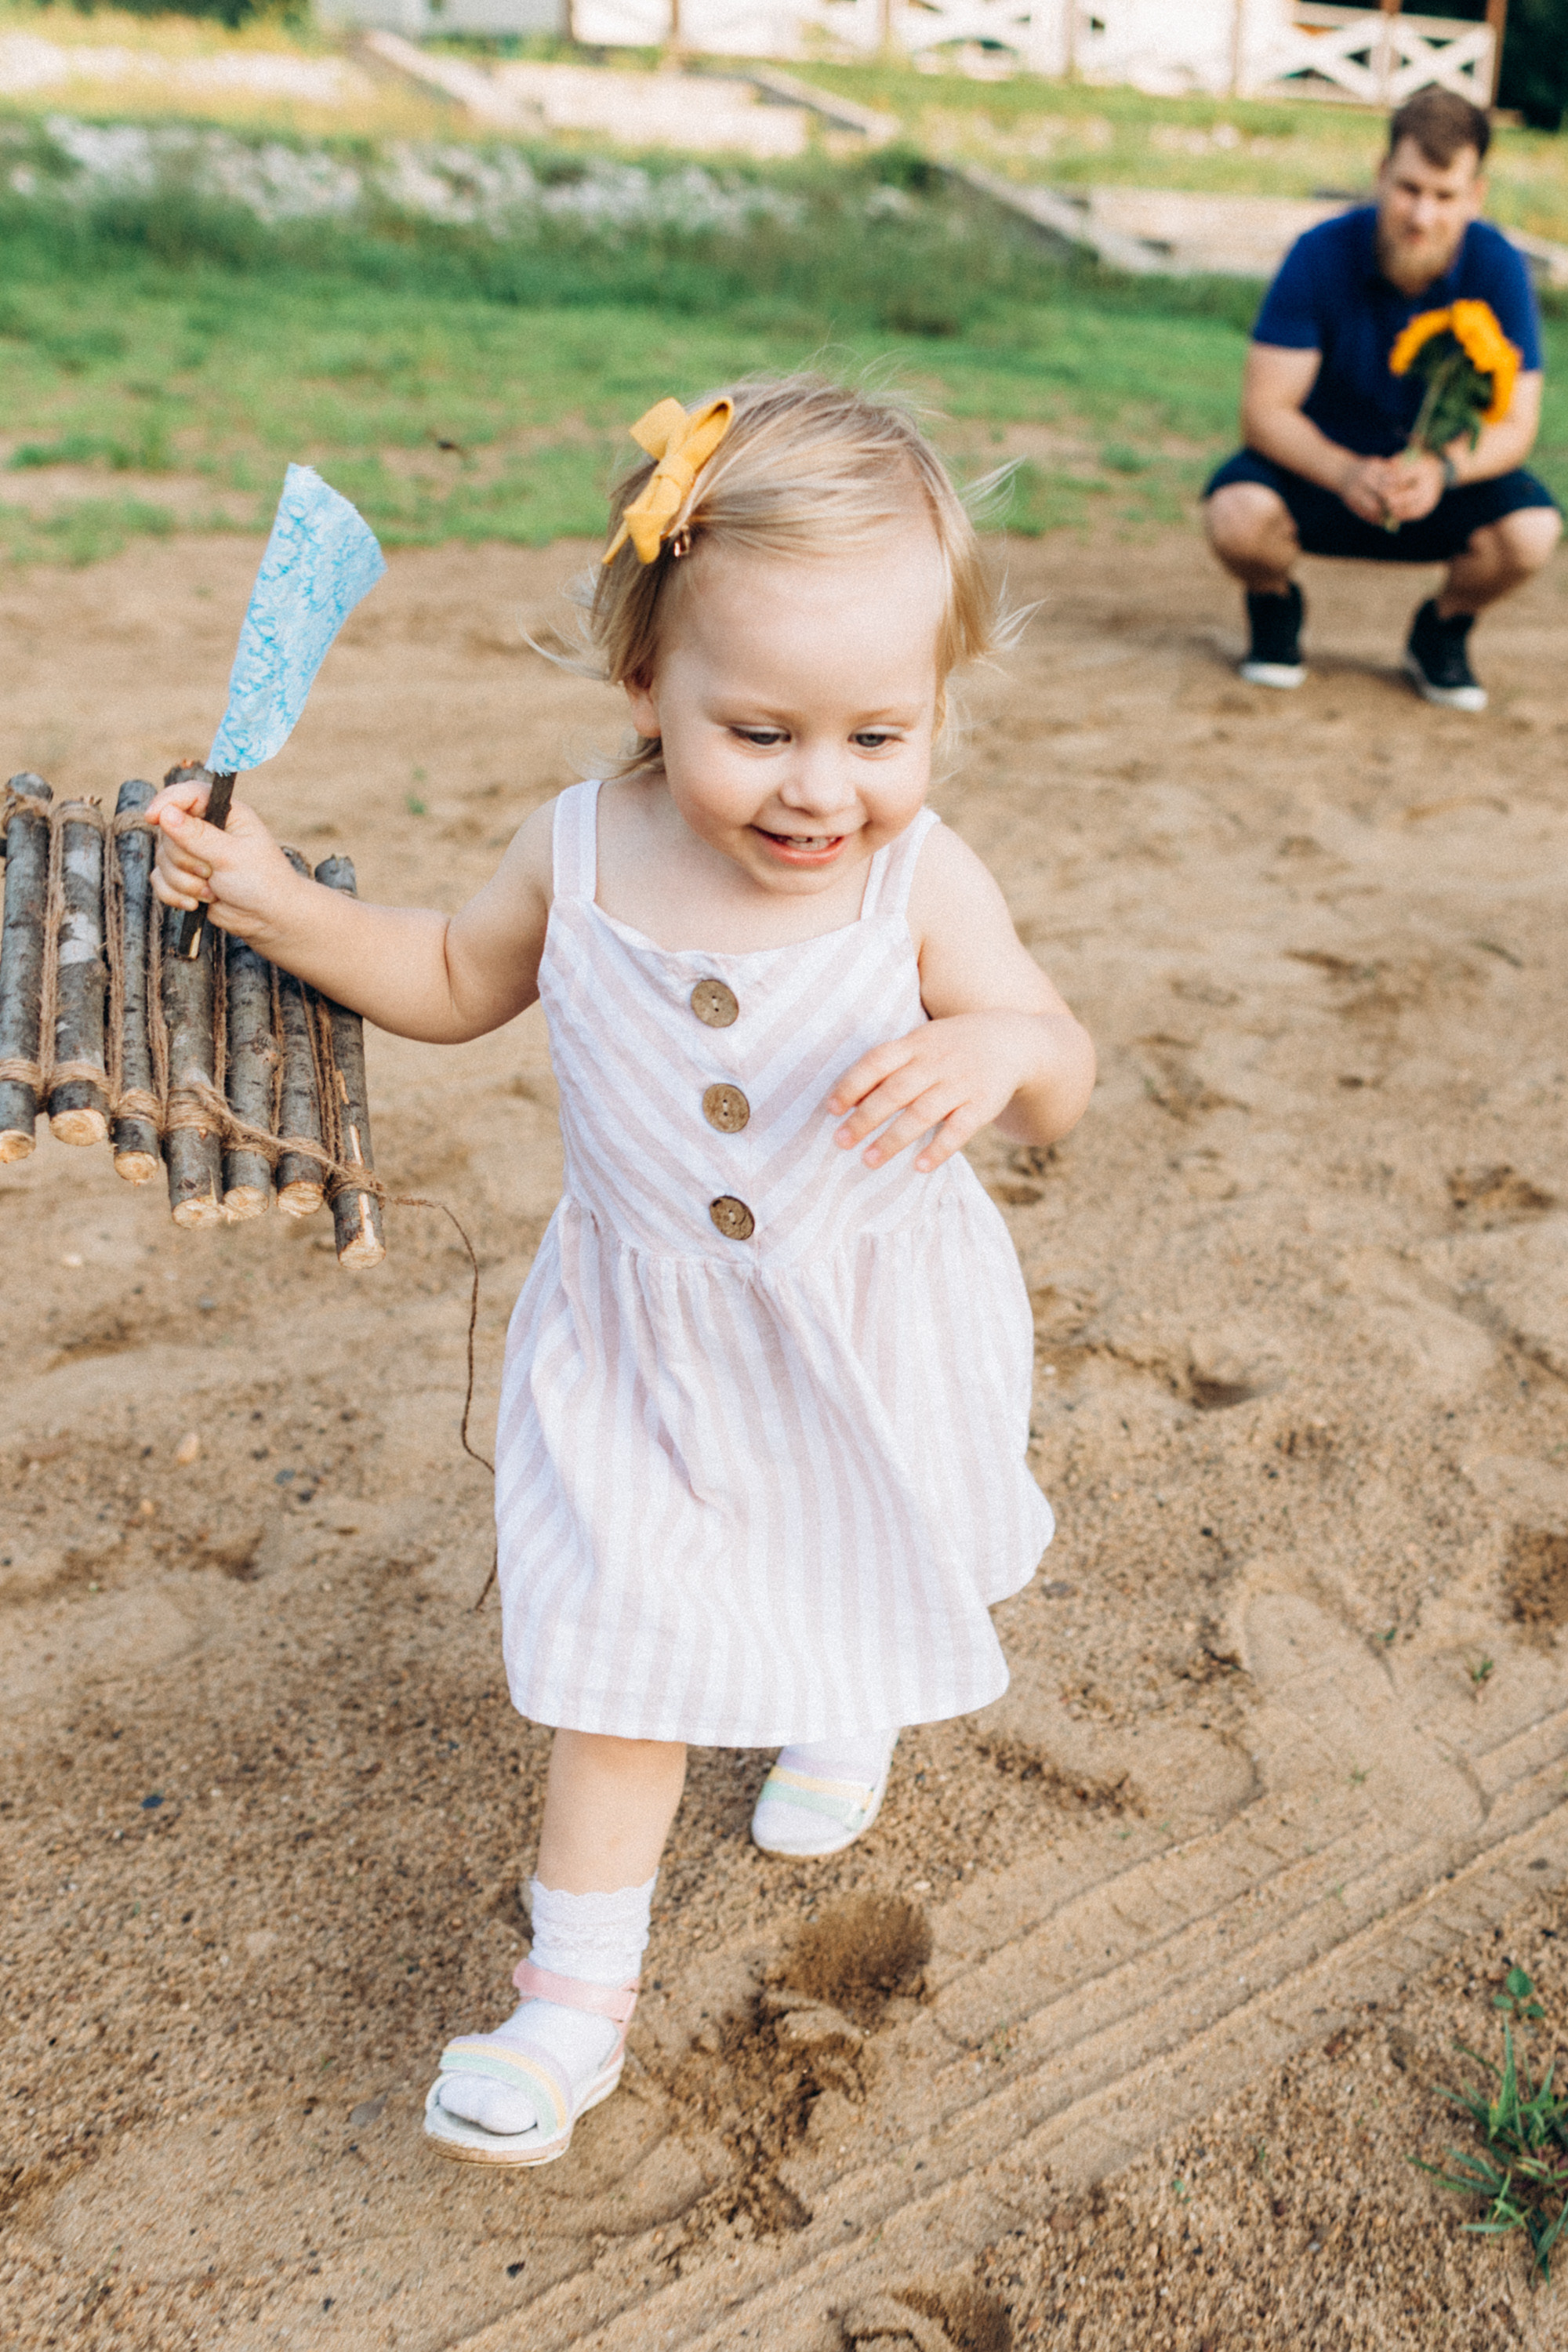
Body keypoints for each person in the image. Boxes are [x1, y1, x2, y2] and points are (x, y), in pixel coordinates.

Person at [147, 377, 1096, 2169]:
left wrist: (992, 1053)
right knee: (621, 1668)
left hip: (859, 1324)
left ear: (936, 711)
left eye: (879, 734)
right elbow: (441, 977)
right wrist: (269, 899)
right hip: (645, 1342)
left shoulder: (916, 883)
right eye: (758, 729)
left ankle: (839, 1694)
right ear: (642, 683)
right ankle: (568, 2005)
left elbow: (1058, 1067)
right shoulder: (575, 852)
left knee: (851, 1540)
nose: (822, 786)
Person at [1205, 87, 1560, 713]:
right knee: (1236, 515)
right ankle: (1274, 607)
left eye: (1445, 196)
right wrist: (1345, 472)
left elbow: (1516, 424)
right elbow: (1264, 410)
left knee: (1532, 532)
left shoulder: (1499, 266)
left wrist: (1442, 468)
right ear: (1380, 176)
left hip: (1438, 486)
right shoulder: (1318, 254)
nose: (1422, 216)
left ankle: (1442, 631)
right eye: (1409, 189)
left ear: (1475, 196)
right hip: (1323, 475)